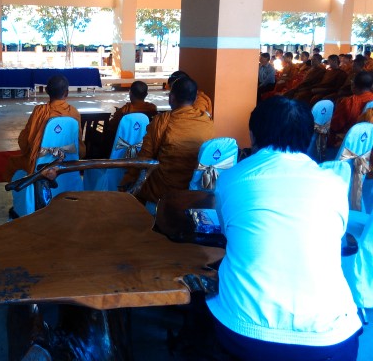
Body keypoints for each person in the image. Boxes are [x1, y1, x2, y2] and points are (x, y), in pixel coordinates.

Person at [208, 96, 362, 361]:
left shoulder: (232, 178)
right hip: (333, 337)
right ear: (309, 137)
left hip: (248, 334)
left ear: (253, 135)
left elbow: (226, 231)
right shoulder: (334, 184)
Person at [119, 76, 214, 203]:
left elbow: (145, 157)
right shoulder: (207, 121)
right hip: (196, 189)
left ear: (172, 97)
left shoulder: (162, 121)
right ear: (195, 98)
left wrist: (128, 178)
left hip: (164, 190)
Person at [4, 75, 86, 181]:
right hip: (67, 163)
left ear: (47, 91)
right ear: (66, 93)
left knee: (12, 162)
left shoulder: (39, 111)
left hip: (40, 166)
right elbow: (79, 147)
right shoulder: (73, 112)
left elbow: (24, 142)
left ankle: (27, 189)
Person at [95, 81, 158, 158]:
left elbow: (111, 128)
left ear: (130, 93)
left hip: (122, 148)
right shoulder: (152, 109)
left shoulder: (124, 111)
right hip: (145, 146)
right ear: (146, 95)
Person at [329, 70, 373, 148]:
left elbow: (335, 125)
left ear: (353, 85)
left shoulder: (349, 102)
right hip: (369, 142)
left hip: (349, 141)